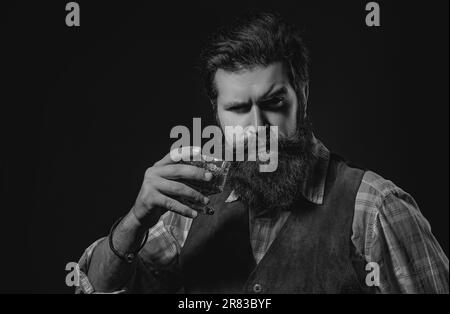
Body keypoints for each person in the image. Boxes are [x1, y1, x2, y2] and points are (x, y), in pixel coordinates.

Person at [76, 12, 448, 294]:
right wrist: (136, 220)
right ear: (216, 114)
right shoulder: (192, 209)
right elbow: (93, 288)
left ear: (301, 96)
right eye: (238, 109)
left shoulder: (375, 208)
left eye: (273, 102)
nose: (258, 126)